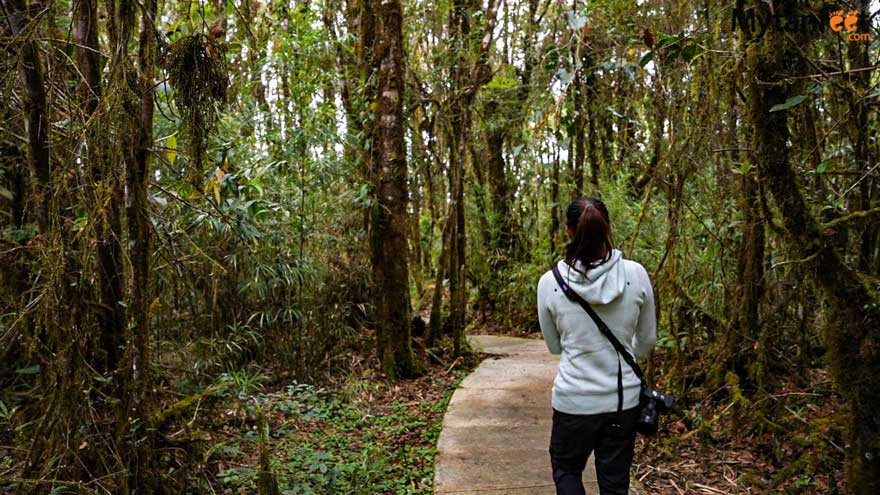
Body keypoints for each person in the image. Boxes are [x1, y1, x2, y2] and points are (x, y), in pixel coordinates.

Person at [536, 197, 656, 495]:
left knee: (567, 470)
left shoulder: (549, 283)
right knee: (615, 483)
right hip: (622, 402)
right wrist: (629, 355)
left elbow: (554, 346)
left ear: (568, 231)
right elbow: (648, 340)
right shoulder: (635, 274)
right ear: (607, 228)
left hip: (573, 402)